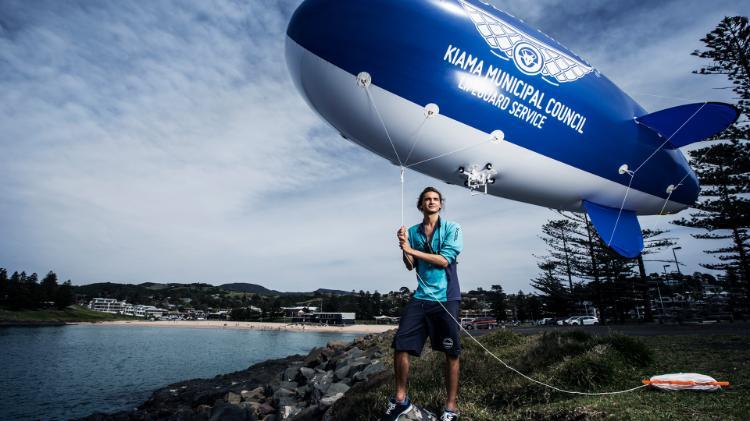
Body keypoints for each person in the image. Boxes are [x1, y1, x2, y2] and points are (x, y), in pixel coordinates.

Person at [382, 187, 463, 421]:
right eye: (427, 199)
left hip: (447, 297)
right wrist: (403, 245)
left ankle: (451, 407)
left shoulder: (452, 228)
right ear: (421, 205)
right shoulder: (415, 231)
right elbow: (410, 265)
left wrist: (411, 250)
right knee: (401, 345)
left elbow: (444, 260)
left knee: (451, 352)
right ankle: (400, 400)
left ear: (440, 204)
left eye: (436, 199)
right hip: (420, 298)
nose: (432, 202)